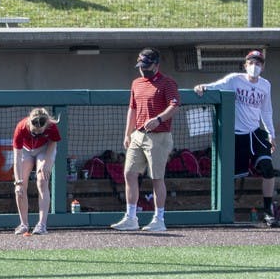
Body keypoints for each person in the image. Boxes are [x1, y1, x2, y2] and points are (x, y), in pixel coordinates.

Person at [195, 51, 276, 227]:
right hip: (235, 135)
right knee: (229, 175)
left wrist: (271, 134)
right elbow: (216, 86)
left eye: (259, 63)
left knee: (268, 169)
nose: (255, 66)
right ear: (245, 64)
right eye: (252, 62)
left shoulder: (265, 85)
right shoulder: (234, 79)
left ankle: (268, 212)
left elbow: (266, 110)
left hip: (255, 133)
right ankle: (223, 213)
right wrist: (202, 87)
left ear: (263, 66)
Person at [111, 48, 180, 233]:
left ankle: (159, 219)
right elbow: (132, 109)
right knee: (129, 173)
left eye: (147, 66)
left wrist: (158, 119)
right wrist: (127, 133)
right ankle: (131, 217)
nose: (144, 69)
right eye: (141, 66)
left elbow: (174, 105)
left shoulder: (167, 83)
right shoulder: (136, 83)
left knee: (157, 178)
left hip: (159, 136)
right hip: (138, 135)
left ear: (157, 65)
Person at [11, 107, 60, 235]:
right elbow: (16, 157)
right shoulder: (21, 127)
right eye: (34, 132)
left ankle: (42, 225)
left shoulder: (52, 127)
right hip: (26, 150)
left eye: (40, 132)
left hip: (44, 149)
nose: (37, 134)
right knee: (21, 185)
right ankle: (24, 224)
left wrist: (46, 164)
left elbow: (53, 144)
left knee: (42, 180)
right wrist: (18, 182)